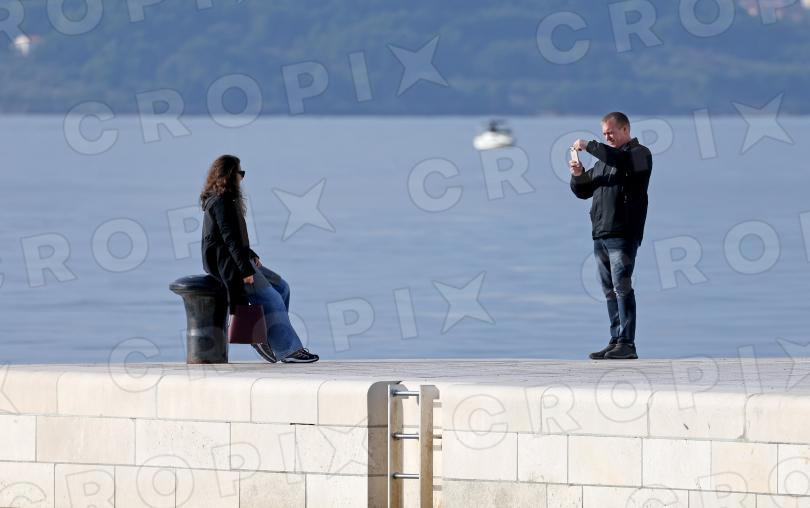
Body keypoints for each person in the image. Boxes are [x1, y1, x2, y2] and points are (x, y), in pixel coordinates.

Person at [199, 154, 318, 363]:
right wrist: (245, 271)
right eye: (240, 173)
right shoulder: (220, 202)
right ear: (229, 175)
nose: (241, 178)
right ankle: (288, 351)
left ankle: (270, 340)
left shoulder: (228, 200)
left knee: (282, 288)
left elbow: (232, 238)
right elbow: (229, 240)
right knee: (272, 298)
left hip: (237, 258)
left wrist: (250, 254)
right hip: (229, 264)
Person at [569, 112, 653, 360]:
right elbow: (584, 191)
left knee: (622, 287)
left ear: (625, 129)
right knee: (609, 290)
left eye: (611, 132)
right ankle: (616, 340)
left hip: (623, 232)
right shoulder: (604, 161)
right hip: (601, 232)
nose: (607, 137)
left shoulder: (639, 154)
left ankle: (627, 343)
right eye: (604, 134)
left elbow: (621, 161)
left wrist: (589, 145)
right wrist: (578, 175)